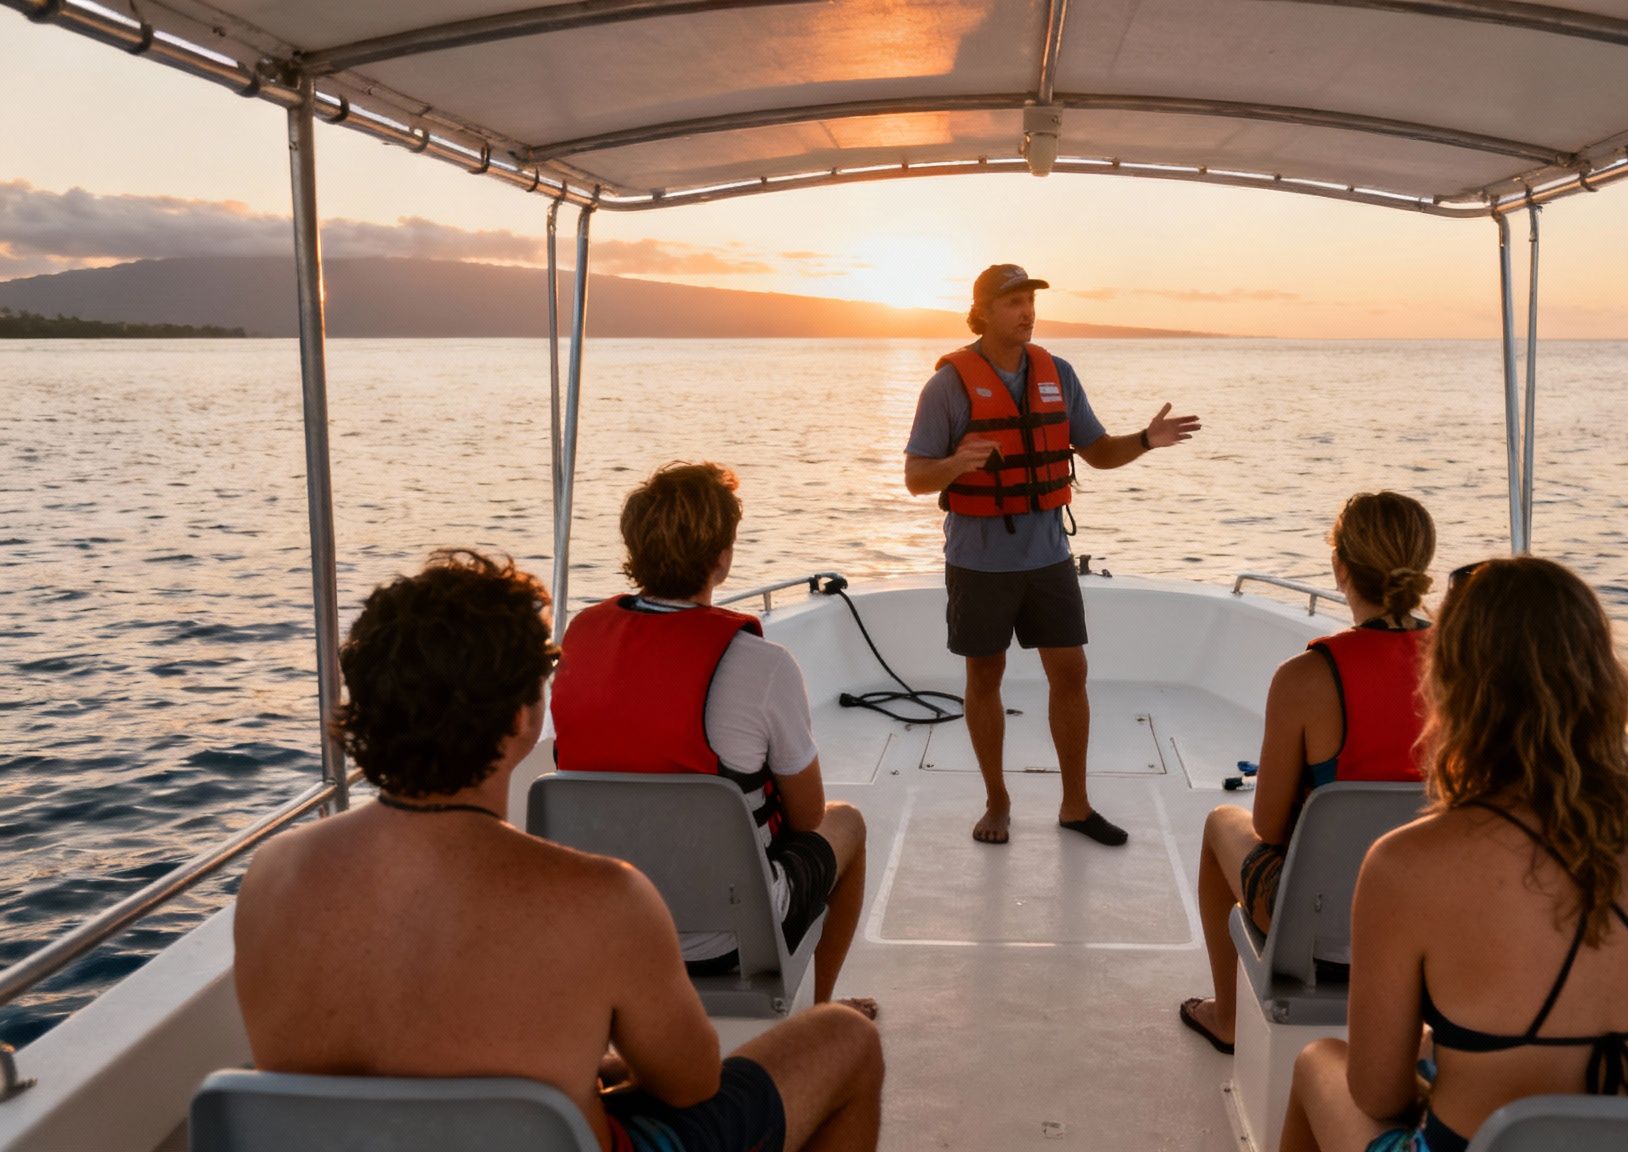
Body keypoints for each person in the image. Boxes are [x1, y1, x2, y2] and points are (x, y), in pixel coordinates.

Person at [233, 551, 884, 1152]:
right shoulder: (602, 899)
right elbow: (693, 1084)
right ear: (523, 718)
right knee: (847, 1039)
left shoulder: (272, 877)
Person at [1279, 557, 1628, 1152]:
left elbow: (1380, 1096)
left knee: (1318, 1063)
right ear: (1602, 678)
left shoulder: (1407, 862)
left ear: (1453, 686)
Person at [550, 462, 872, 1016]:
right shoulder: (762, 666)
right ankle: (823, 1011)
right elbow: (807, 814)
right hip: (724, 940)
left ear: (635, 550)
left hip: (604, 922)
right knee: (847, 823)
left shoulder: (579, 640)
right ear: (722, 559)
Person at [903, 263, 1202, 846]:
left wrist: (1144, 441)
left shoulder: (1057, 374)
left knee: (1071, 672)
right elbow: (916, 476)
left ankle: (1075, 805)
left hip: (1047, 557)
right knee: (984, 675)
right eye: (1013, 301)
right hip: (979, 560)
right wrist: (956, 464)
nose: (1027, 311)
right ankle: (997, 800)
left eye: (1031, 300)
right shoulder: (948, 386)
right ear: (983, 311)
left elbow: (1097, 452)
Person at [1178, 491, 1435, 1055]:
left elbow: (1269, 828)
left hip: (1323, 931)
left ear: (1339, 566)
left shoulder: (1306, 677)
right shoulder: (1468, 671)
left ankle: (1228, 1017)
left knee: (1223, 822)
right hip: (1439, 925)